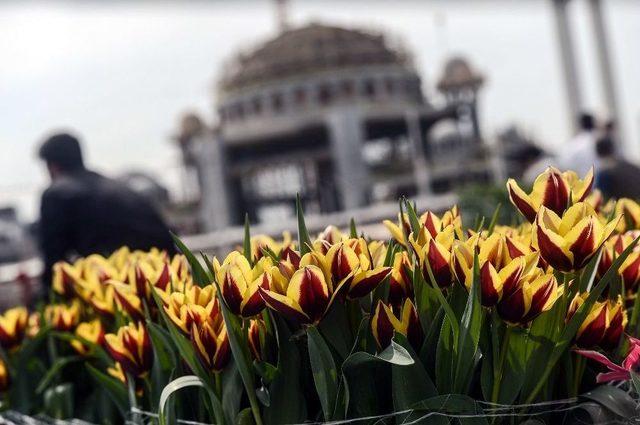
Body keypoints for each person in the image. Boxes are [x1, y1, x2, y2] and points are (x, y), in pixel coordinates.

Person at [37, 132, 176, 290]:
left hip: (123, 288)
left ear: (52, 166)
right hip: (169, 279)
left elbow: (54, 263)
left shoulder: (56, 194)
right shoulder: (119, 187)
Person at [594, 127, 640, 200]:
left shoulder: (605, 173)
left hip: (623, 210)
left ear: (597, 152)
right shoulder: (632, 166)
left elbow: (599, 199)